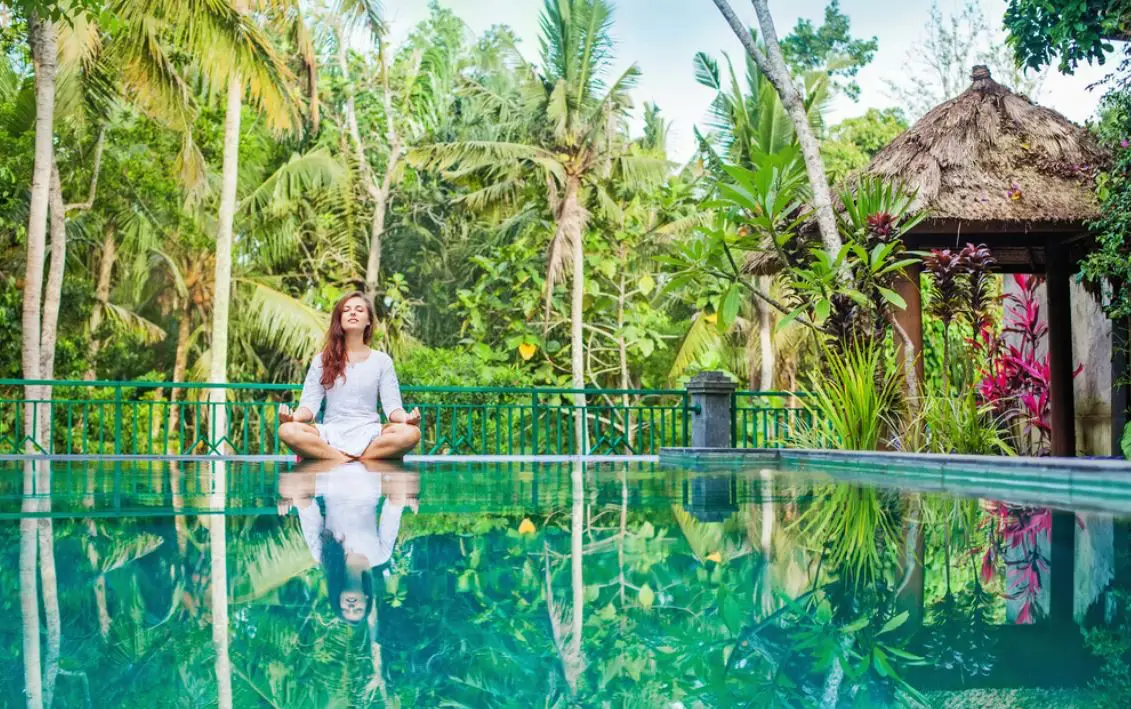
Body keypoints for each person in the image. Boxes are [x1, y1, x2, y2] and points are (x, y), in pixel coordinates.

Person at [278, 291, 421, 460]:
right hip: (331, 432)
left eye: (359, 310)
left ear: (368, 321)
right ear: (339, 319)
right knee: (287, 430)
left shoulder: (382, 361)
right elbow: (309, 406)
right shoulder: (322, 360)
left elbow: (392, 408)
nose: (353, 313)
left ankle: (337, 458)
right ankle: (351, 459)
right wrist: (293, 417)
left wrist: (406, 418)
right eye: (346, 310)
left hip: (370, 432)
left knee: (412, 433)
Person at [277, 458, 419, 624]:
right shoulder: (381, 556)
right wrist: (406, 499)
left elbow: (307, 510)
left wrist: (290, 498)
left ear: (338, 599)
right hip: (369, 481)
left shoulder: (324, 557)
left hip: (331, 480)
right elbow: (392, 511)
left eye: (345, 609)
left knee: (288, 487)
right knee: (408, 483)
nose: (351, 607)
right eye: (358, 609)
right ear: (367, 599)